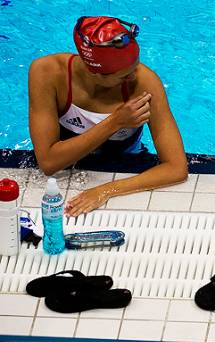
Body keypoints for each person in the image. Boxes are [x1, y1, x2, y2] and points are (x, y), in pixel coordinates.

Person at [28, 16, 187, 216]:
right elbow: (49, 163)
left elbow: (176, 167)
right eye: (123, 75)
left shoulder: (145, 83)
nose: (134, 76)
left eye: (135, 65)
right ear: (92, 72)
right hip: (64, 164)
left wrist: (106, 190)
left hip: (126, 160)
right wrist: (115, 122)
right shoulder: (47, 73)